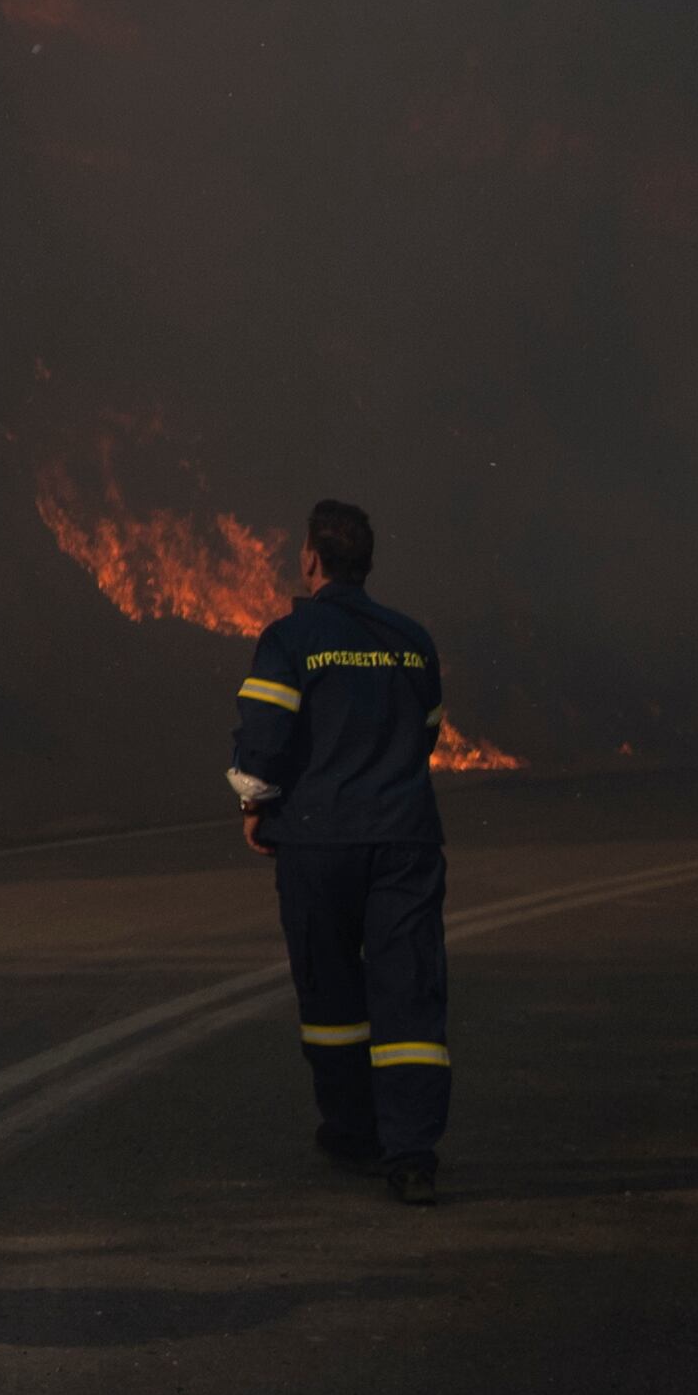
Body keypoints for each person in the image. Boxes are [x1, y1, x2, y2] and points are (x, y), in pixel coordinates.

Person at [229, 496, 456, 1204]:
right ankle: (412, 1151)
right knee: (408, 991)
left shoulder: (292, 637)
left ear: (311, 558)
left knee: (331, 998)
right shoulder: (412, 639)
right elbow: (427, 728)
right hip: (403, 839)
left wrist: (253, 803)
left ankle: (352, 1128)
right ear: (368, 563)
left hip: (317, 840)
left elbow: (264, 736)